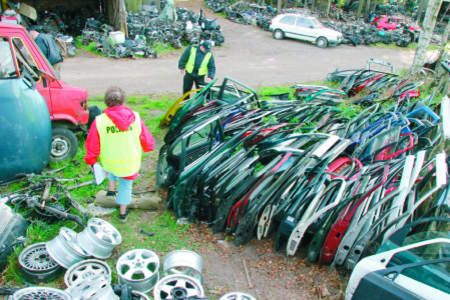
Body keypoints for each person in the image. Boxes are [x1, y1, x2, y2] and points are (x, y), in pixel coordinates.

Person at [84, 87, 155, 222]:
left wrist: (91, 161)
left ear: (106, 102)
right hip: (130, 161)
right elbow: (145, 137)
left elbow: (92, 144)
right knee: (126, 186)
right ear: (123, 101)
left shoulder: (100, 121)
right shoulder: (135, 117)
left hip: (110, 161)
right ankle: (123, 213)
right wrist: (148, 146)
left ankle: (111, 190)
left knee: (113, 168)